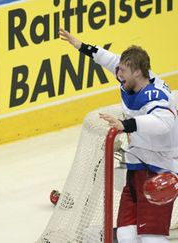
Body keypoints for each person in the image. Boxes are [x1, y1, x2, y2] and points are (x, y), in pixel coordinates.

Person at [59, 28, 178, 243]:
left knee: (151, 238)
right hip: (138, 165)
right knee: (125, 235)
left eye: (123, 70)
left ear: (137, 72)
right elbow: (108, 58)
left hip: (160, 169)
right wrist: (79, 45)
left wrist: (126, 125)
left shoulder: (155, 96)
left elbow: (165, 123)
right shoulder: (130, 78)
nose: (118, 73)